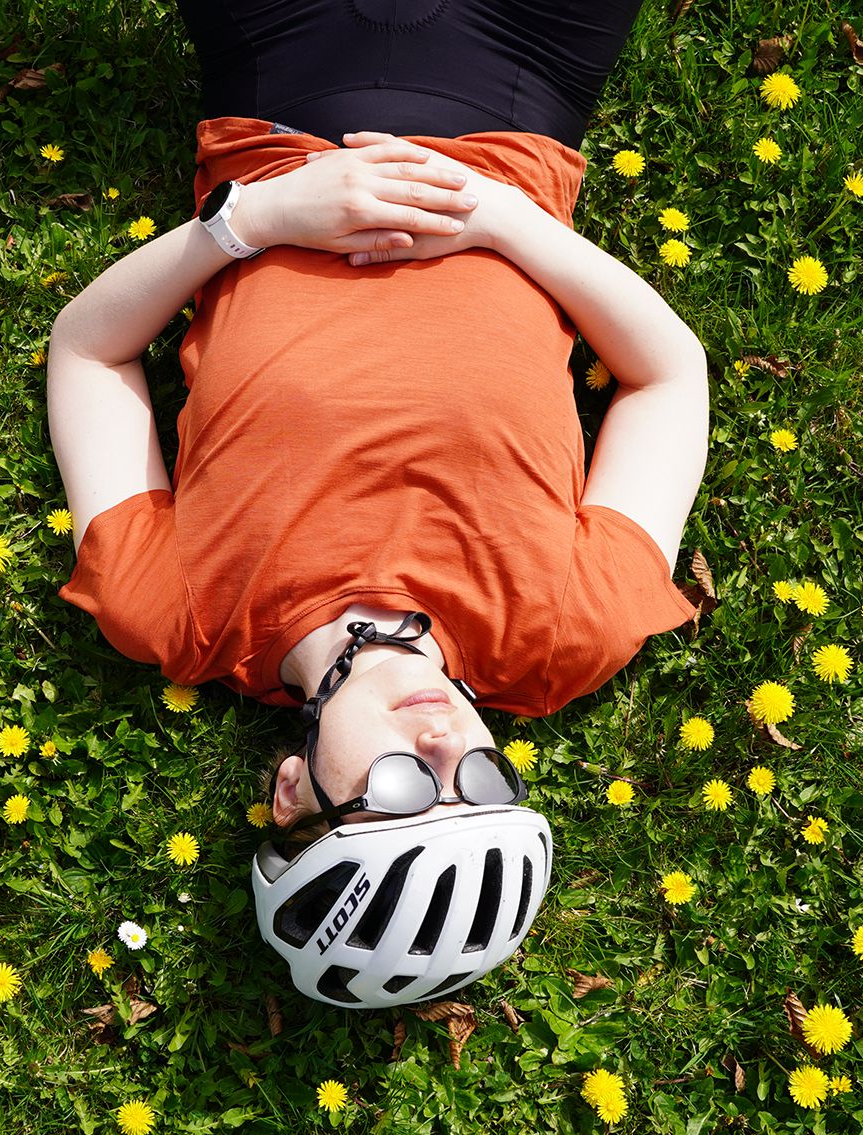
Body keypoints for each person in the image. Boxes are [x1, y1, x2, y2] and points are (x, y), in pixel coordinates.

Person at [45, 0, 709, 1009]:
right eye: (480, 786)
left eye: (400, 793)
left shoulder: (177, 614)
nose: (443, 744)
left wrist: (253, 220)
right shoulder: (566, 633)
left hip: (279, 79)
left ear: (290, 791)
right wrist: (499, 220)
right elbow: (668, 379)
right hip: (523, 77)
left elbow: (88, 351)